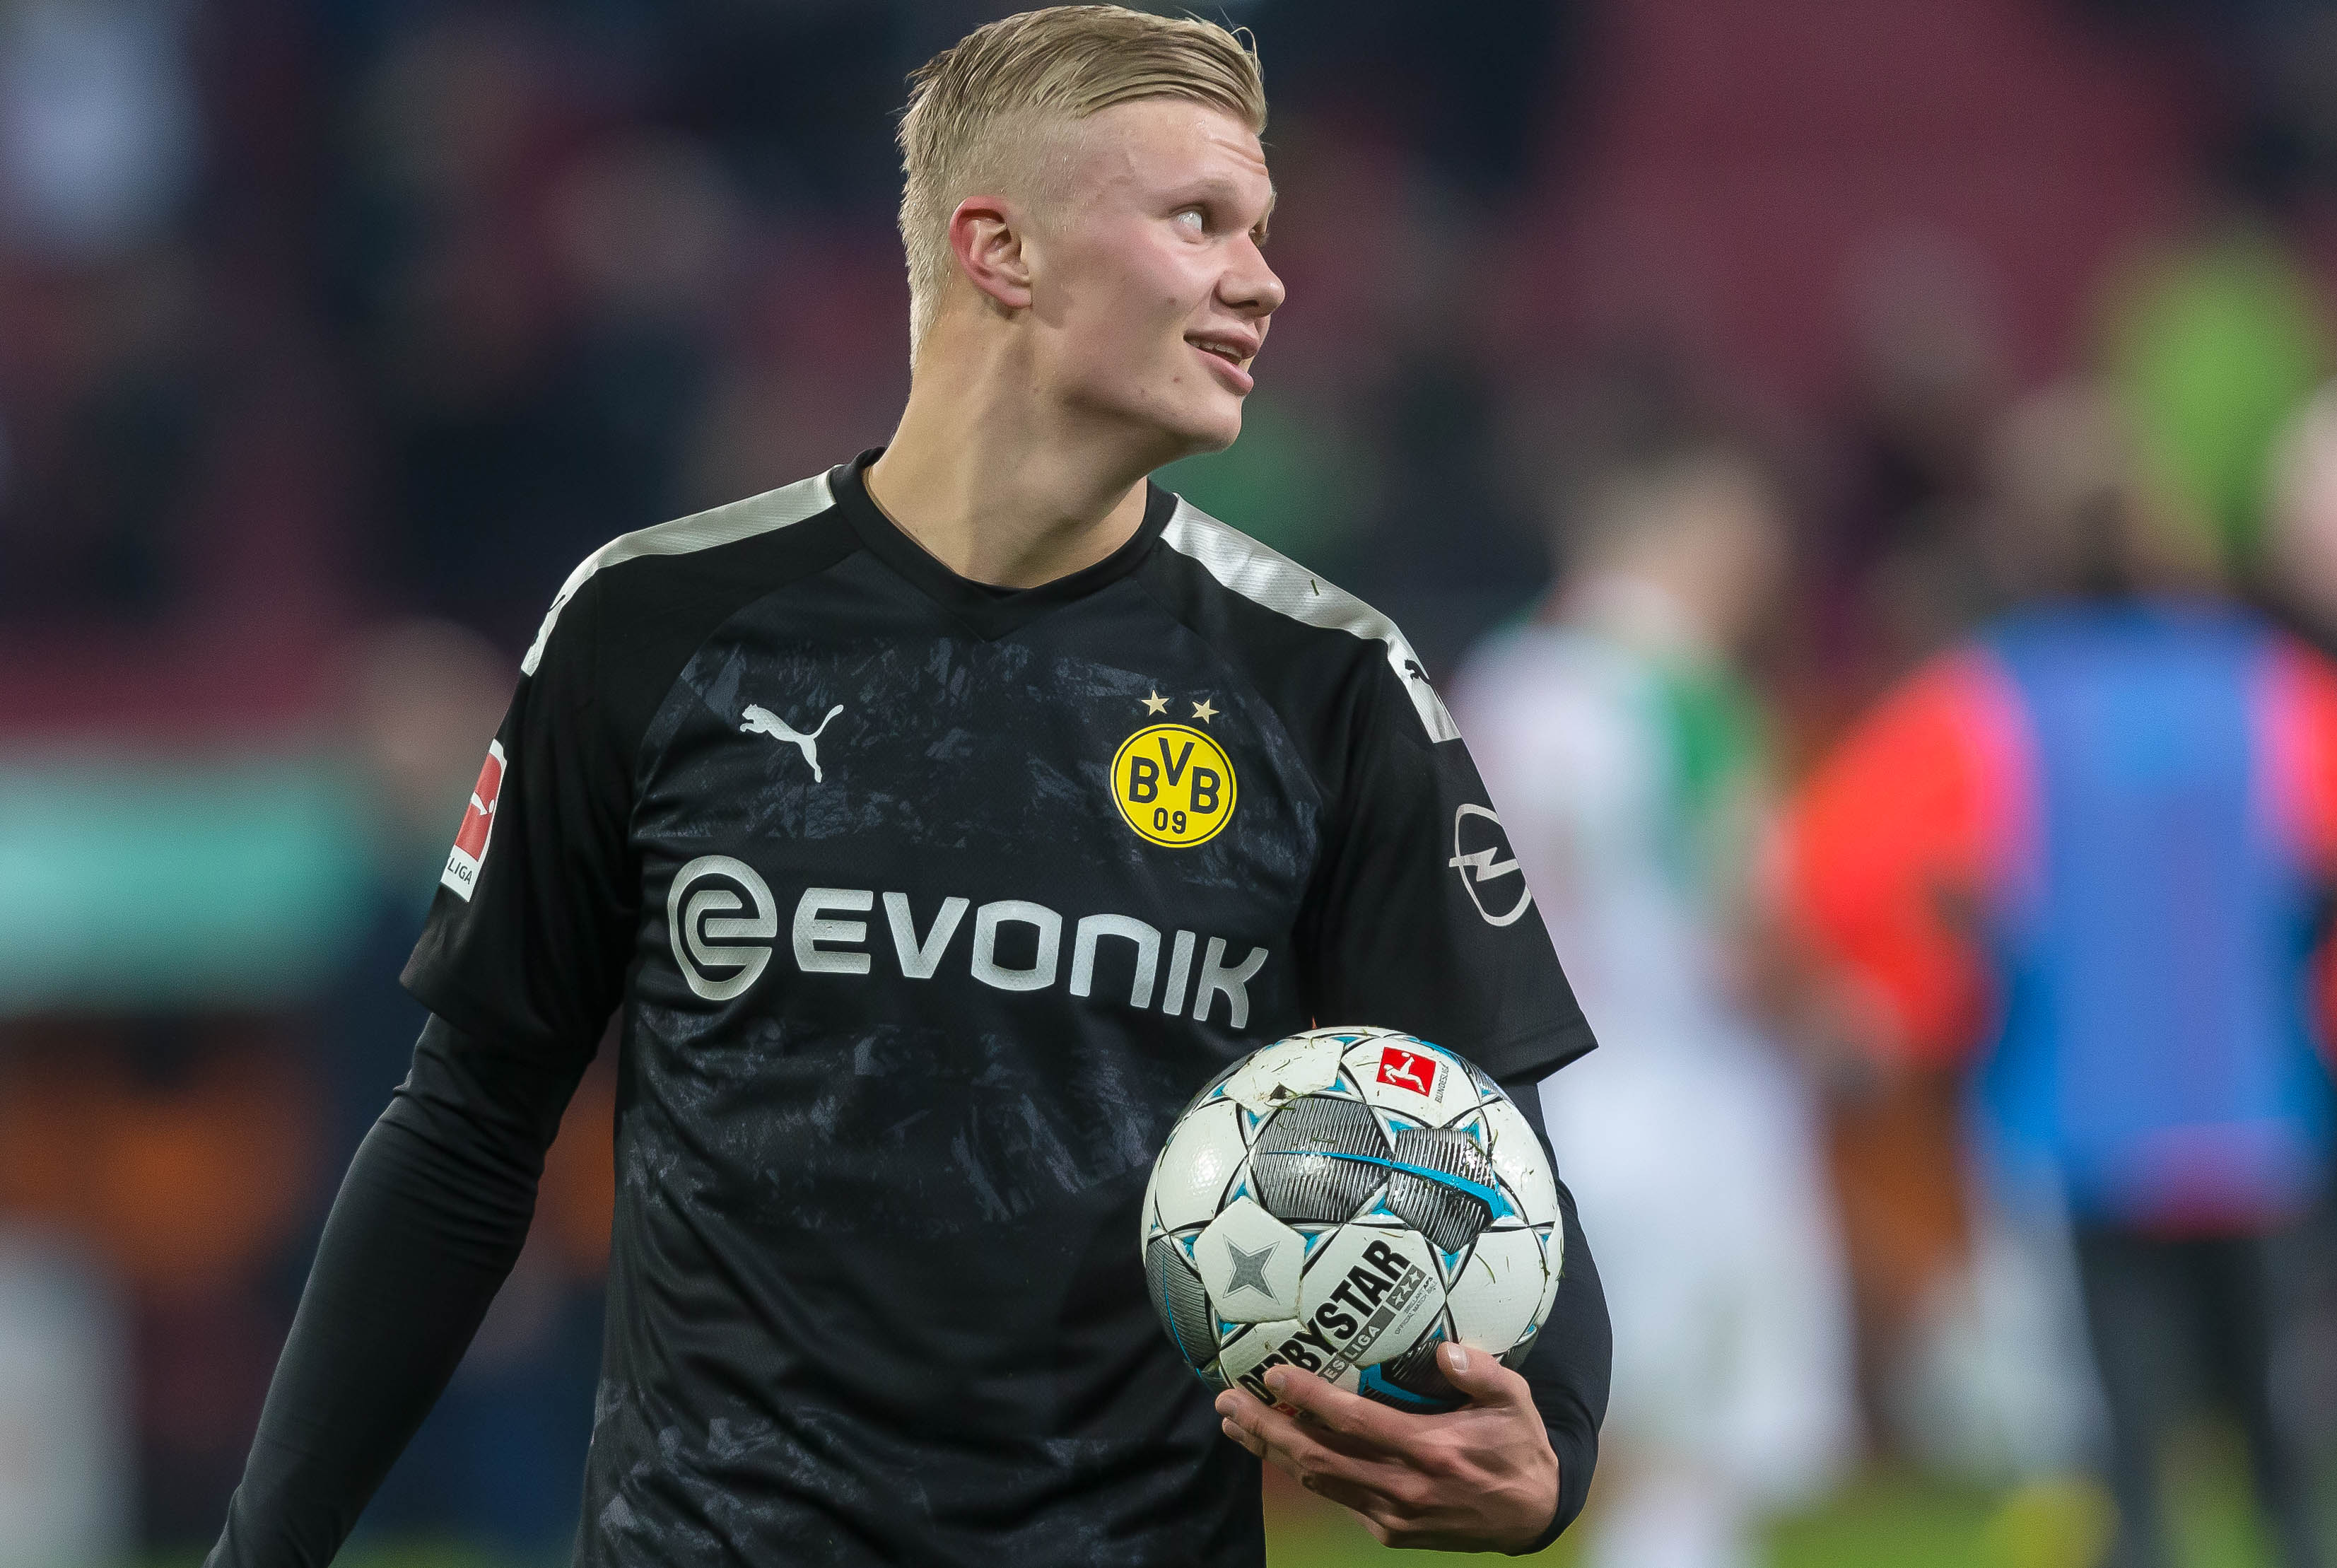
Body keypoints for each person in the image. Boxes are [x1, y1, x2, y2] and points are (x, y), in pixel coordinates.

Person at [202, 9, 1610, 1565]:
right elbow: (468, 1123)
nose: (1262, 277)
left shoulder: (1324, 680)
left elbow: (1489, 1143)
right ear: (999, 252)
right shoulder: (651, 626)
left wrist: (1547, 1445)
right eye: (1199, 219)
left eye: (1262, 230)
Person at [1782, 385, 2337, 1568]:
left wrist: (1942, 988)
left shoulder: (1990, 702)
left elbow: (1839, 862)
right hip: (2259, 1116)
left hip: (2080, 1122)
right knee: (2285, 1457)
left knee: (2125, 1460)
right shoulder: (2271, 688)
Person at [1451, 435, 1855, 1568]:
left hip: (1538, 1100)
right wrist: (1831, 1020)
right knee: (1699, 1447)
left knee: (1591, 1430)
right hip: (1687, 1097)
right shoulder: (1682, 693)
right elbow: (1741, 921)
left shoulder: (1503, 679)